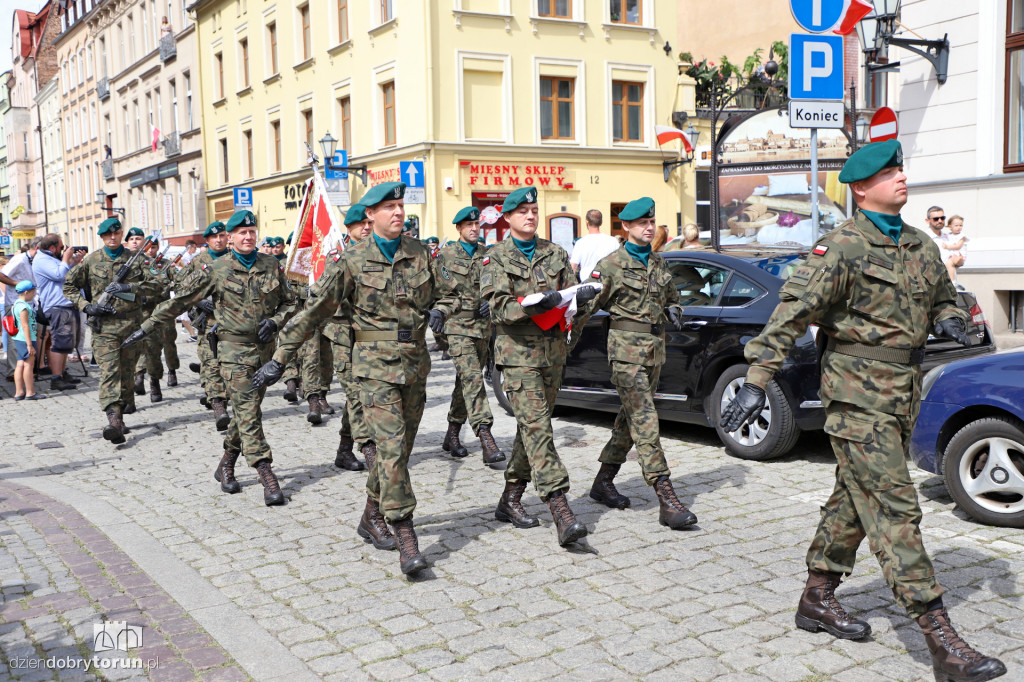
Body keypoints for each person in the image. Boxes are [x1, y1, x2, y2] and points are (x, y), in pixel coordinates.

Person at [720, 140, 1006, 682]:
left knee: (856, 495)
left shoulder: (921, 244)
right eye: (890, 171)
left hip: (903, 390)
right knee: (895, 505)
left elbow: (944, 295)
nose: (901, 176)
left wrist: (948, 317)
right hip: (855, 392)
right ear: (861, 187)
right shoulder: (842, 248)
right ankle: (939, 638)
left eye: (901, 168)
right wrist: (757, 378)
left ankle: (816, 597)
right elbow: (791, 312)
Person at [252, 181, 456, 575]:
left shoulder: (420, 252)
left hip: (414, 366)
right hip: (373, 369)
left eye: (401, 205)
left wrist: (441, 312)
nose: (399, 212)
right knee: (391, 451)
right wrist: (279, 359)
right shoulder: (351, 261)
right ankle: (406, 536)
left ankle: (370, 516)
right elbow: (311, 313)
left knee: (400, 452)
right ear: (370, 216)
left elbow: (450, 294)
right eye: (390, 207)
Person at [122, 210, 297, 506]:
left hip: (264, 351)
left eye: (252, 231)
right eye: (241, 232)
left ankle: (226, 463)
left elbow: (291, 302)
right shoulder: (217, 269)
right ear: (229, 238)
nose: (248, 236)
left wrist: (277, 321)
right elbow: (180, 301)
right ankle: (266, 473)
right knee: (249, 413)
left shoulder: (271, 265)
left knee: (246, 411)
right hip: (232, 353)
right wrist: (145, 328)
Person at [479, 187, 597, 547]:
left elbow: (571, 299)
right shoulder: (495, 258)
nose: (530, 216)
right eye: (523, 211)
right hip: (516, 357)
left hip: (551, 355)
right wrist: (532, 306)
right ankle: (561, 509)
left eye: (534, 210)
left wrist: (584, 299)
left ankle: (510, 500)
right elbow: (496, 307)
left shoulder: (555, 253)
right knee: (538, 427)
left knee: (530, 430)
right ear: (509, 218)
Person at [573, 197, 697, 530]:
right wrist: (564, 338)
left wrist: (675, 311)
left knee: (629, 419)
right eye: (641, 223)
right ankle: (666, 496)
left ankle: (603, 482)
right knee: (645, 419)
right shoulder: (611, 264)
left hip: (655, 351)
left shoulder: (658, 263)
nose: (648, 227)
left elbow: (673, 298)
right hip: (625, 353)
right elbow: (586, 304)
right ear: (625, 227)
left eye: (651, 221)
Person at [64, 218, 164, 444]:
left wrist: (130, 287)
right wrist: (87, 306)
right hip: (104, 328)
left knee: (127, 373)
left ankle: (122, 409)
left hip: (131, 326)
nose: (112, 237)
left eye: (116, 233)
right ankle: (113, 419)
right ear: (101, 237)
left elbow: (160, 283)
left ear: (121, 234)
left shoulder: (136, 260)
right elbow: (68, 286)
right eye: (107, 235)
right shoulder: (91, 261)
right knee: (110, 371)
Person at [431, 206, 506, 465]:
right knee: (473, 378)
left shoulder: (489, 255)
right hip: (458, 327)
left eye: (477, 224)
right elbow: (439, 294)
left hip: (483, 329)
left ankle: (452, 434)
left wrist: (493, 303)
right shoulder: (445, 256)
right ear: (459, 229)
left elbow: (498, 287)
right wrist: (438, 330)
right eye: (469, 225)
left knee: (465, 381)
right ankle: (485, 435)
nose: (474, 228)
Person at [320, 204, 374, 472]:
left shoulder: (376, 254)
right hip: (342, 333)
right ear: (349, 228)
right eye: (360, 224)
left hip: (369, 334)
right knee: (356, 394)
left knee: (359, 394)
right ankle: (369, 448)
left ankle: (344, 449)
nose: (366, 228)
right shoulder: (338, 257)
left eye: (369, 223)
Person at [177, 221, 232, 429]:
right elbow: (182, 286)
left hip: (231, 323)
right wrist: (199, 301)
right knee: (210, 364)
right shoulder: (198, 261)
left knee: (229, 366)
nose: (219, 240)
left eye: (222, 236)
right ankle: (219, 406)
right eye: (214, 237)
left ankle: (222, 398)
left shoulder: (234, 258)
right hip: (207, 324)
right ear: (207, 240)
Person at [32, 234, 85, 392]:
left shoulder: (52, 259)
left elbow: (66, 275)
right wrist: (66, 258)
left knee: (67, 344)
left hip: (66, 305)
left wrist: (73, 262)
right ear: (52, 248)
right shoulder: (42, 259)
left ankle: (62, 373)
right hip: (57, 307)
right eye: (62, 247)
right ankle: (56, 378)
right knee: (60, 343)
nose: (64, 249)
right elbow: (58, 274)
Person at [135, 238, 180, 402]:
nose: (150, 250)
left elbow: (179, 280)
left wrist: (172, 287)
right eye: (148, 247)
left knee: (168, 342)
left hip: (163, 310)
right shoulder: (138, 264)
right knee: (144, 344)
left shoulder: (166, 264)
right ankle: (141, 375)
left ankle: (172, 369)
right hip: (145, 312)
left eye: (153, 247)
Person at [2, 238, 39, 380]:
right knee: (14, 335)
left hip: (29, 303)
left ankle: (26, 369)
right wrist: (18, 283)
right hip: (14, 303)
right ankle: (13, 371)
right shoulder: (19, 259)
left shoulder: (35, 261)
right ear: (37, 248)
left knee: (26, 335)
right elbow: (2, 275)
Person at [11, 280, 45, 400]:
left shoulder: (16, 304)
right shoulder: (24, 307)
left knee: (20, 364)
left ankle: (19, 392)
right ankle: (30, 392)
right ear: (26, 292)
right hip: (26, 339)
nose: (34, 295)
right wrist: (30, 344)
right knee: (29, 366)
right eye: (33, 293)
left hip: (19, 338)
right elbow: (25, 325)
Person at [569, 209, 618, 281]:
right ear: (601, 222)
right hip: (607, 283)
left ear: (587, 222)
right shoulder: (613, 241)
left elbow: (573, 266)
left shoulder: (580, 243)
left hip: (587, 284)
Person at [924, 206, 964, 282]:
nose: (940, 221)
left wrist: (959, 261)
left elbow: (958, 262)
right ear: (927, 220)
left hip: (950, 284)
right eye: (936, 219)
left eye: (942, 218)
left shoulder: (949, 237)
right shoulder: (924, 238)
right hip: (933, 283)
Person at [943, 215, 969, 285]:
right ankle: (951, 280)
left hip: (959, 255)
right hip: (952, 255)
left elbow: (958, 246)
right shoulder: (948, 235)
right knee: (948, 265)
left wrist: (947, 247)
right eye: (956, 225)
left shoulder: (962, 236)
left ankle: (953, 281)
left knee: (948, 264)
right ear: (950, 227)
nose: (959, 227)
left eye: (960, 225)